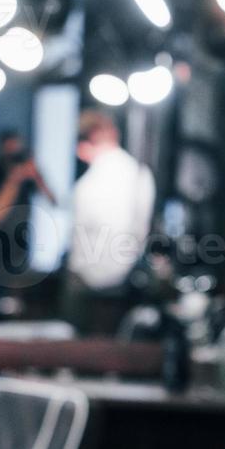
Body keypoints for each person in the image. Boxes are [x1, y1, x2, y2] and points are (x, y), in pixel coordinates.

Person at [62, 108, 156, 332]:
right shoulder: (140, 173)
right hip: (124, 278)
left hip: (88, 281)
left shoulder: (92, 183)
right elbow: (139, 230)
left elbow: (87, 237)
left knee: (74, 348)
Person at [0, 129, 55, 283]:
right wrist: (13, 180)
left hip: (20, 247)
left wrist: (37, 175)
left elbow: (54, 202)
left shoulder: (29, 176)